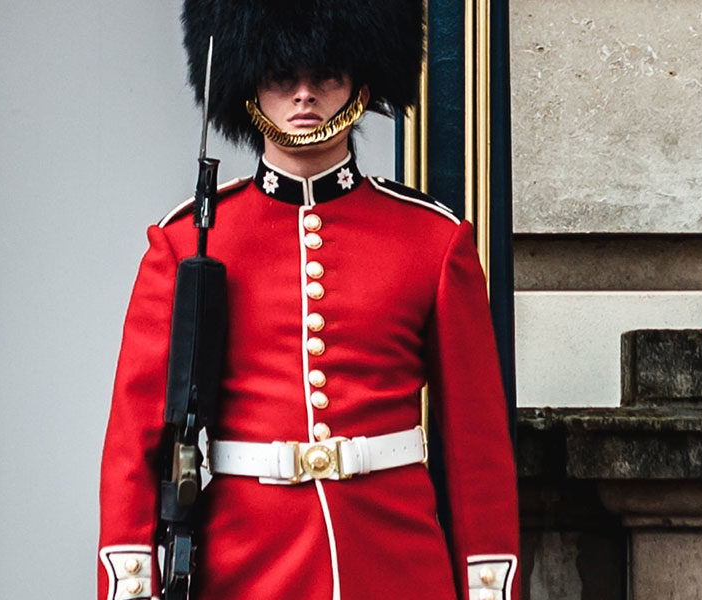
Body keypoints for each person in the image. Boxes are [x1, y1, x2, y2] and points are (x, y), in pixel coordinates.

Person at [96, 2, 519, 600]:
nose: (303, 97)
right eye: (280, 79)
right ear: (251, 88)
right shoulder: (189, 239)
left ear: (360, 87)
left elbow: (478, 451)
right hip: (245, 565)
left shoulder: (433, 241)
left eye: (325, 77)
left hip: (394, 563)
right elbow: (134, 446)